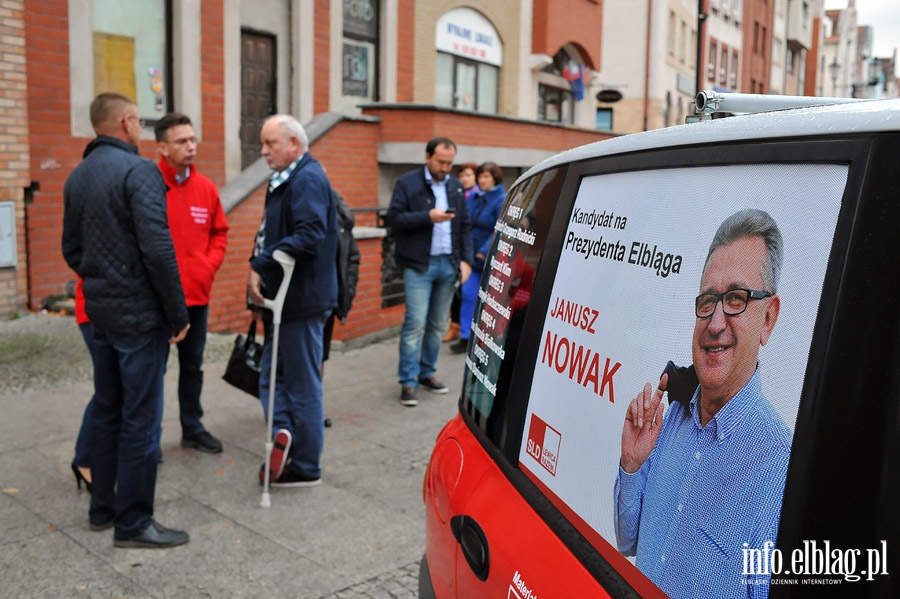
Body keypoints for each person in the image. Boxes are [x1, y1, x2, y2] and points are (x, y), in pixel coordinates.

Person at [614, 209, 791, 598]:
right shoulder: (670, 416)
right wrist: (631, 466)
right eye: (708, 300)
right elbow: (627, 540)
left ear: (768, 319)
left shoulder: (779, 470)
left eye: (735, 298)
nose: (714, 322)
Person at [62, 92, 190, 548]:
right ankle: (133, 524)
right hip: (137, 319)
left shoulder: (77, 177)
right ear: (128, 122)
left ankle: (103, 509)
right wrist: (177, 313)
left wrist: (102, 280)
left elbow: (71, 250)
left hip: (100, 314)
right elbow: (158, 250)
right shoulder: (139, 171)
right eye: (138, 121)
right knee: (140, 419)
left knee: (109, 409)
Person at [247, 114, 338, 488]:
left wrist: (261, 263)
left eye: (270, 143)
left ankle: (305, 465)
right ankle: (285, 433)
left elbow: (311, 235)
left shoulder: (308, 179)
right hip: (287, 300)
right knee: (271, 376)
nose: (263, 150)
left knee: (302, 383)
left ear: (294, 145)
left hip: (301, 300)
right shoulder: (290, 177)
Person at [155, 113, 229, 454]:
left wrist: (207, 266)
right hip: (156, 300)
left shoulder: (206, 188)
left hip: (196, 297)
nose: (190, 147)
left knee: (192, 366)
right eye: (182, 141)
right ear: (162, 147)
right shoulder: (147, 184)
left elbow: (219, 233)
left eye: (192, 139)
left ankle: (192, 426)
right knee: (151, 371)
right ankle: (147, 438)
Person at [387, 137, 473, 407]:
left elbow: (465, 226)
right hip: (419, 265)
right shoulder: (408, 183)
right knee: (415, 323)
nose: (445, 167)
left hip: (449, 264)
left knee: (438, 325)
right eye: (440, 161)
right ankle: (408, 381)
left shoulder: (456, 187)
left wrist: (466, 261)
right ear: (427, 157)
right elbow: (394, 219)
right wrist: (428, 217)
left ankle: (426, 372)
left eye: (449, 162)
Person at [450, 161, 505, 354]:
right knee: (467, 294)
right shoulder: (474, 197)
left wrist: (484, 249)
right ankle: (466, 337)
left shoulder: (501, 198)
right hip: (471, 257)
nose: (482, 180)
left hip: (489, 258)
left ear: (495, 178)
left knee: (490, 300)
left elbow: (500, 228)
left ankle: (487, 338)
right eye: (480, 176)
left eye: (486, 177)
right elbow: (465, 223)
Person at [443, 162, 479, 344]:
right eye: (462, 175)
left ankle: (464, 330)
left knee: (466, 292)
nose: (465, 179)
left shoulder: (477, 197)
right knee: (457, 291)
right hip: (455, 249)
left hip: (472, 252)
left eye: (469, 175)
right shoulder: (456, 194)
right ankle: (454, 327)